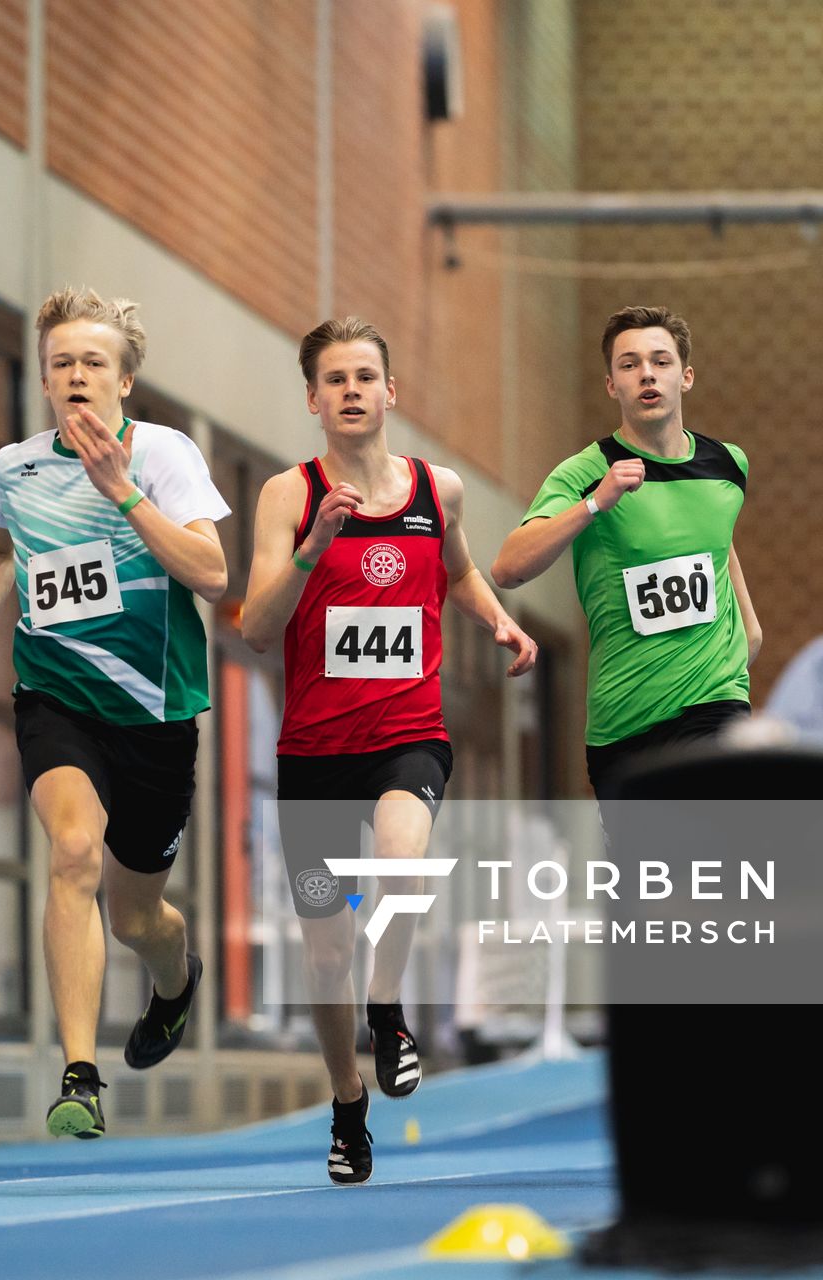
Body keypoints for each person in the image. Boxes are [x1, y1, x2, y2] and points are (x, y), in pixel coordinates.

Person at [242, 317, 537, 1184]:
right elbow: (257, 629)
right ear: (313, 399)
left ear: (390, 391)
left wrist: (498, 619)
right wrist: (314, 548)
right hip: (315, 755)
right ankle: (346, 1101)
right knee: (325, 950)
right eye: (335, 379)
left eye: (366, 376)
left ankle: (390, 1008)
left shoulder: (434, 489)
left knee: (407, 861)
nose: (352, 391)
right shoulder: (286, 496)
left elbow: (460, 570)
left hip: (408, 735)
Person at [0, 287, 230, 1139]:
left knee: (138, 913)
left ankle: (176, 982)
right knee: (72, 851)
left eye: (93, 362)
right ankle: (79, 1073)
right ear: (44, 378)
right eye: (62, 363)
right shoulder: (16, 467)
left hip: (154, 713)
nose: (76, 375)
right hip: (55, 693)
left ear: (125, 380)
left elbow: (213, 575)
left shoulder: (165, 457)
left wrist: (122, 495)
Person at [491, 305, 762, 794]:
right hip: (625, 720)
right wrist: (595, 503)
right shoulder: (585, 472)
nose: (647, 374)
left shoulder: (727, 464)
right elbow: (509, 568)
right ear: (612, 385)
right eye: (629, 364)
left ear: (686, 376)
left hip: (715, 702)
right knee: (651, 872)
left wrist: (749, 627)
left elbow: (715, 541)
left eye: (660, 361)